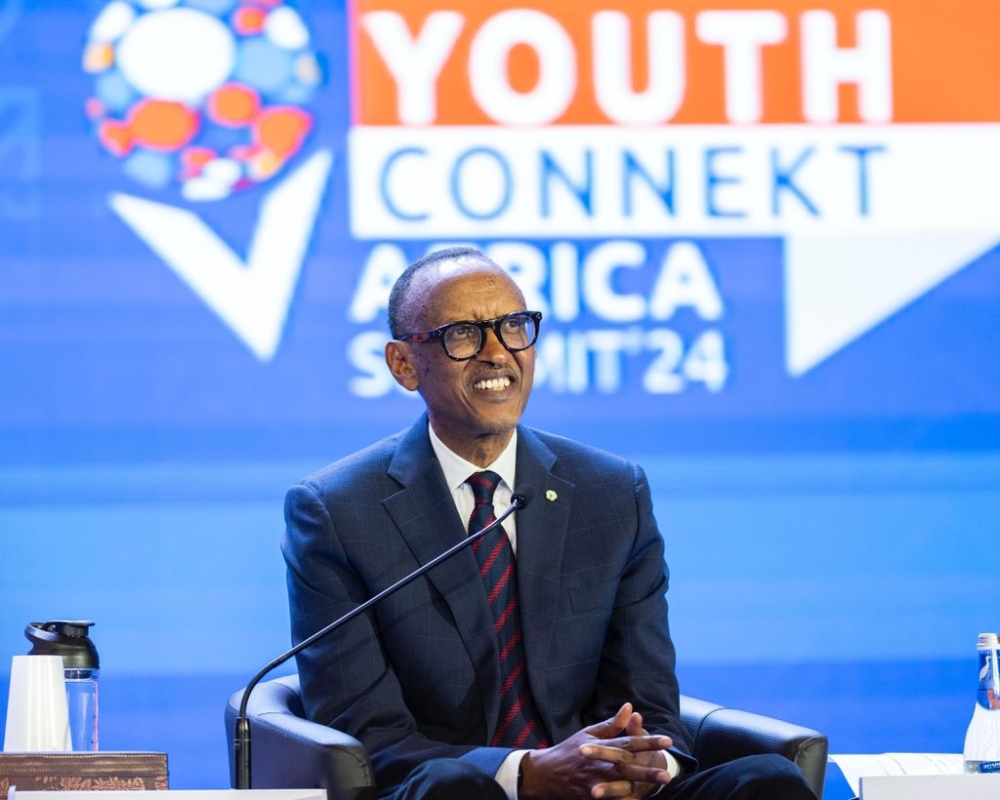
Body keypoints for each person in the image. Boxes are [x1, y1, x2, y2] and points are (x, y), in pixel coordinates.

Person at [283, 246, 816, 800]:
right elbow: (369, 734)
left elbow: (647, 698)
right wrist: (527, 773)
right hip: (465, 787)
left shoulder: (611, 492)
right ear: (402, 364)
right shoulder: (338, 511)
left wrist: (635, 763)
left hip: (600, 792)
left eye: (513, 327)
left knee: (766, 780)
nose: (497, 354)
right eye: (463, 333)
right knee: (450, 788)